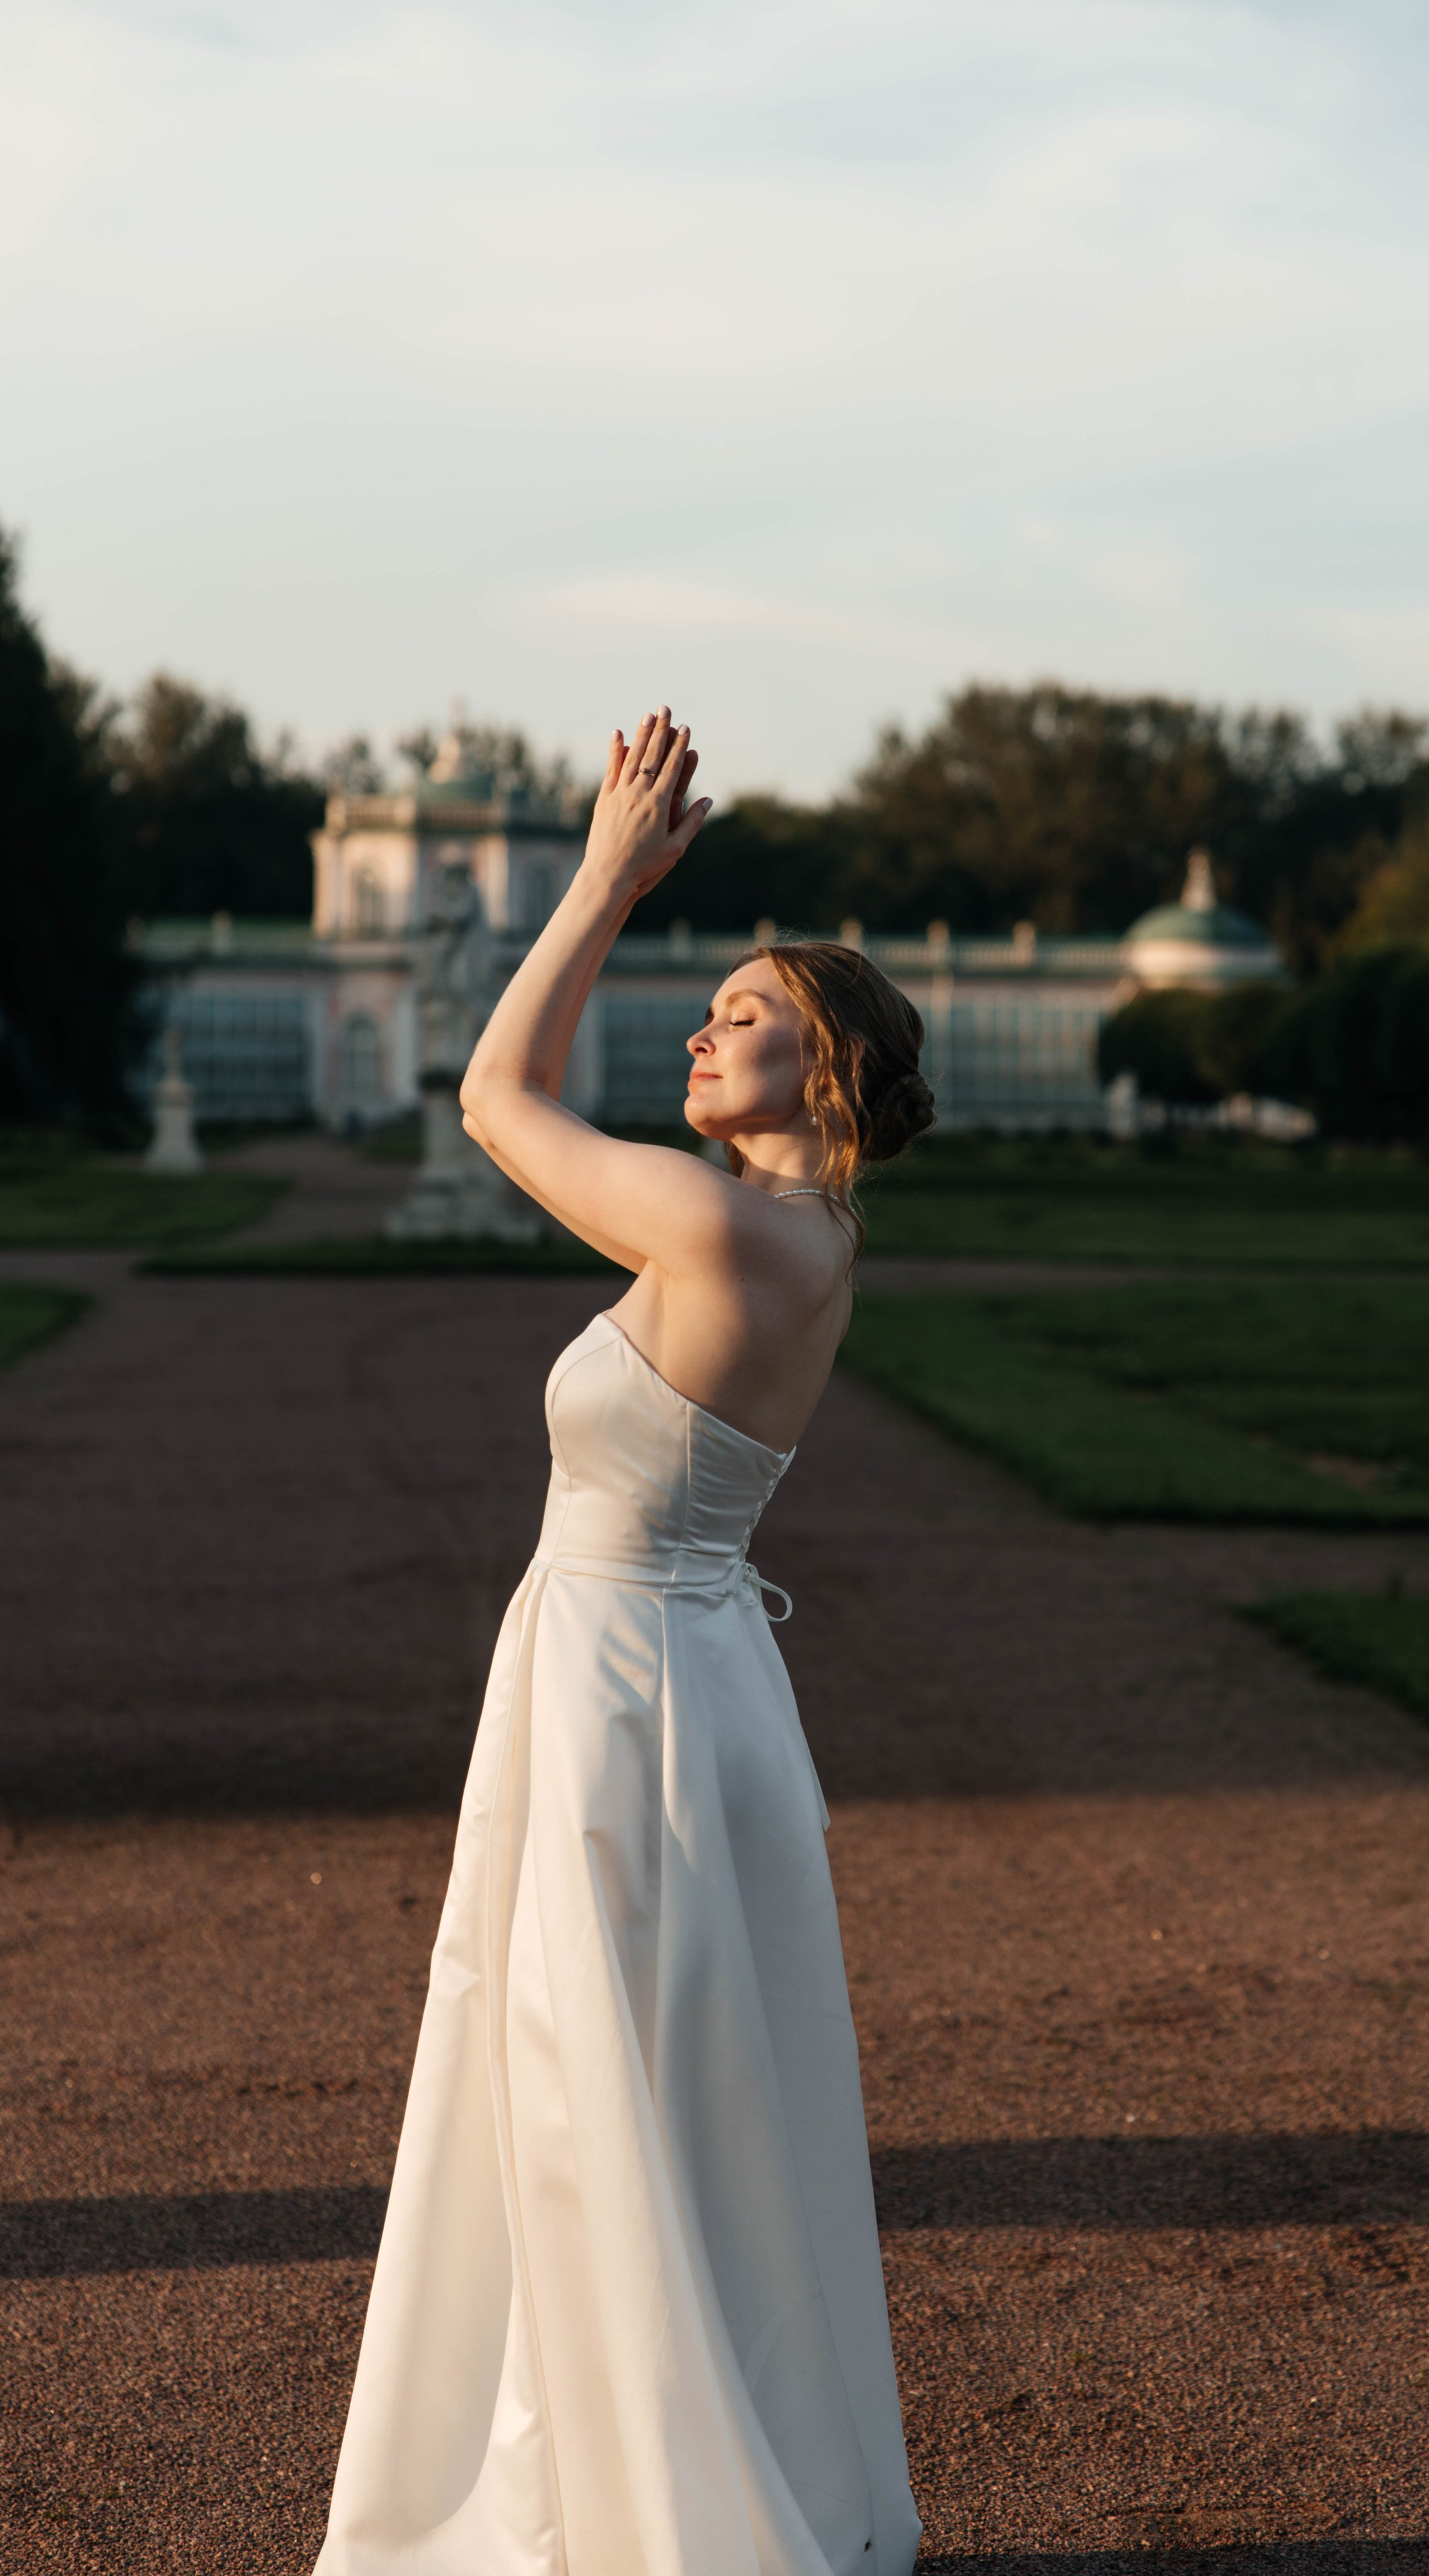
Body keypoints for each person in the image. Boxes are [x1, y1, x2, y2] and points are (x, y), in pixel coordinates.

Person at [314, 707, 933, 2576]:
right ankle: (678, 2469)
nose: (699, 1033)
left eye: (743, 1014)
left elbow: (495, 1098)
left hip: (619, 1691)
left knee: (589, 2087)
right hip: (701, 1680)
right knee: (697, 2100)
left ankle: (638, 2504)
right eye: (709, 1008)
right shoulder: (805, 1239)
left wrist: (600, 880)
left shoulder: (722, 1233)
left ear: (826, 1067)